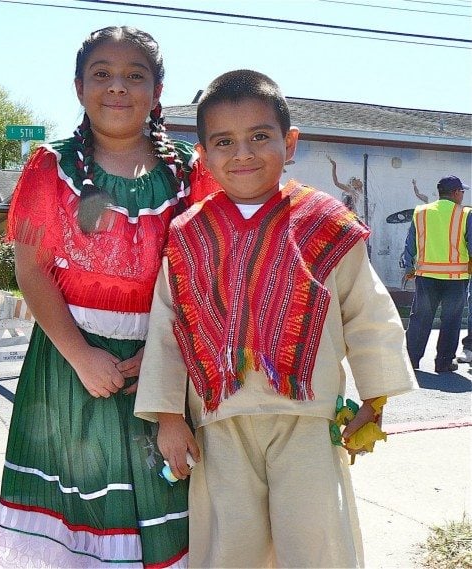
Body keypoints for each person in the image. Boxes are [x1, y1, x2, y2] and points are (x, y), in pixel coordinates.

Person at [134, 70, 417, 568]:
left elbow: (367, 315)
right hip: (220, 424)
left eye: (259, 137)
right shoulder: (188, 234)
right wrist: (169, 417)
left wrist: (374, 400)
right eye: (224, 142)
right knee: (229, 547)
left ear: (289, 143)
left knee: (316, 544)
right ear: (202, 154)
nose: (242, 153)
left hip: (308, 420)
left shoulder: (326, 223)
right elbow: (167, 331)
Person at [0, 26, 215, 568]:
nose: (118, 88)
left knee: (167, 505)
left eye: (134, 76)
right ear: (78, 87)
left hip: (164, 364)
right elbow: (33, 271)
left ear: (158, 90)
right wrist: (81, 356)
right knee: (81, 518)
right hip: (68, 374)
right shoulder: (51, 167)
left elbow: (203, 281)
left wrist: (170, 365)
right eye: (102, 75)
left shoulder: (191, 173)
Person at [401, 175, 472, 372]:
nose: (463, 195)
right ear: (456, 193)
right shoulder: (465, 214)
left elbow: (410, 243)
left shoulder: (421, 212)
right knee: (451, 321)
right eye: (462, 192)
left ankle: (411, 360)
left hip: (426, 276)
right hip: (456, 279)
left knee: (420, 319)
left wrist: (408, 267)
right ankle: (443, 363)